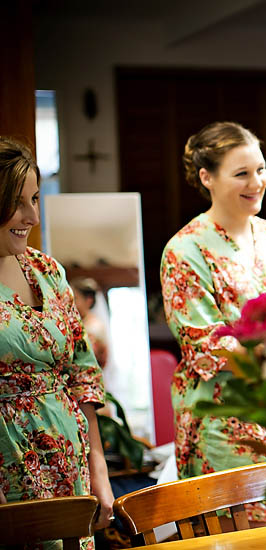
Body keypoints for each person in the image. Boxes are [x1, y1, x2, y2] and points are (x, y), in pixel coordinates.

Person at [160, 121, 266, 522]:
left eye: (261, 169)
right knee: (250, 530)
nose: (256, 182)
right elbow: (205, 346)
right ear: (206, 177)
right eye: (242, 173)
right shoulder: (185, 250)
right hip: (225, 413)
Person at [0, 137, 113, 548]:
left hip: (70, 461)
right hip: (9, 464)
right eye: (17, 202)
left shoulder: (47, 271)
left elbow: (82, 374)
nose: (32, 216)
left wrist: (97, 466)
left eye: (34, 198)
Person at [71, 277, 109, 368]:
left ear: (88, 300)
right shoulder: (75, 322)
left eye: (75, 298)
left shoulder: (95, 326)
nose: (71, 303)